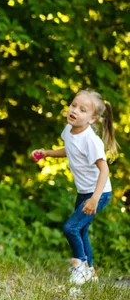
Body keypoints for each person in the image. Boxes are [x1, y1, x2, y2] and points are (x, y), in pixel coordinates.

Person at [31, 89, 118, 286]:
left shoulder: (91, 140)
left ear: (92, 118)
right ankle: (91, 273)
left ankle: (80, 267)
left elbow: (104, 170)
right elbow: (68, 150)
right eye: (73, 105)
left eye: (83, 109)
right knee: (81, 230)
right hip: (84, 191)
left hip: (98, 193)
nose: (75, 110)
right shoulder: (69, 131)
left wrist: (95, 198)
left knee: (70, 228)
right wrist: (46, 153)